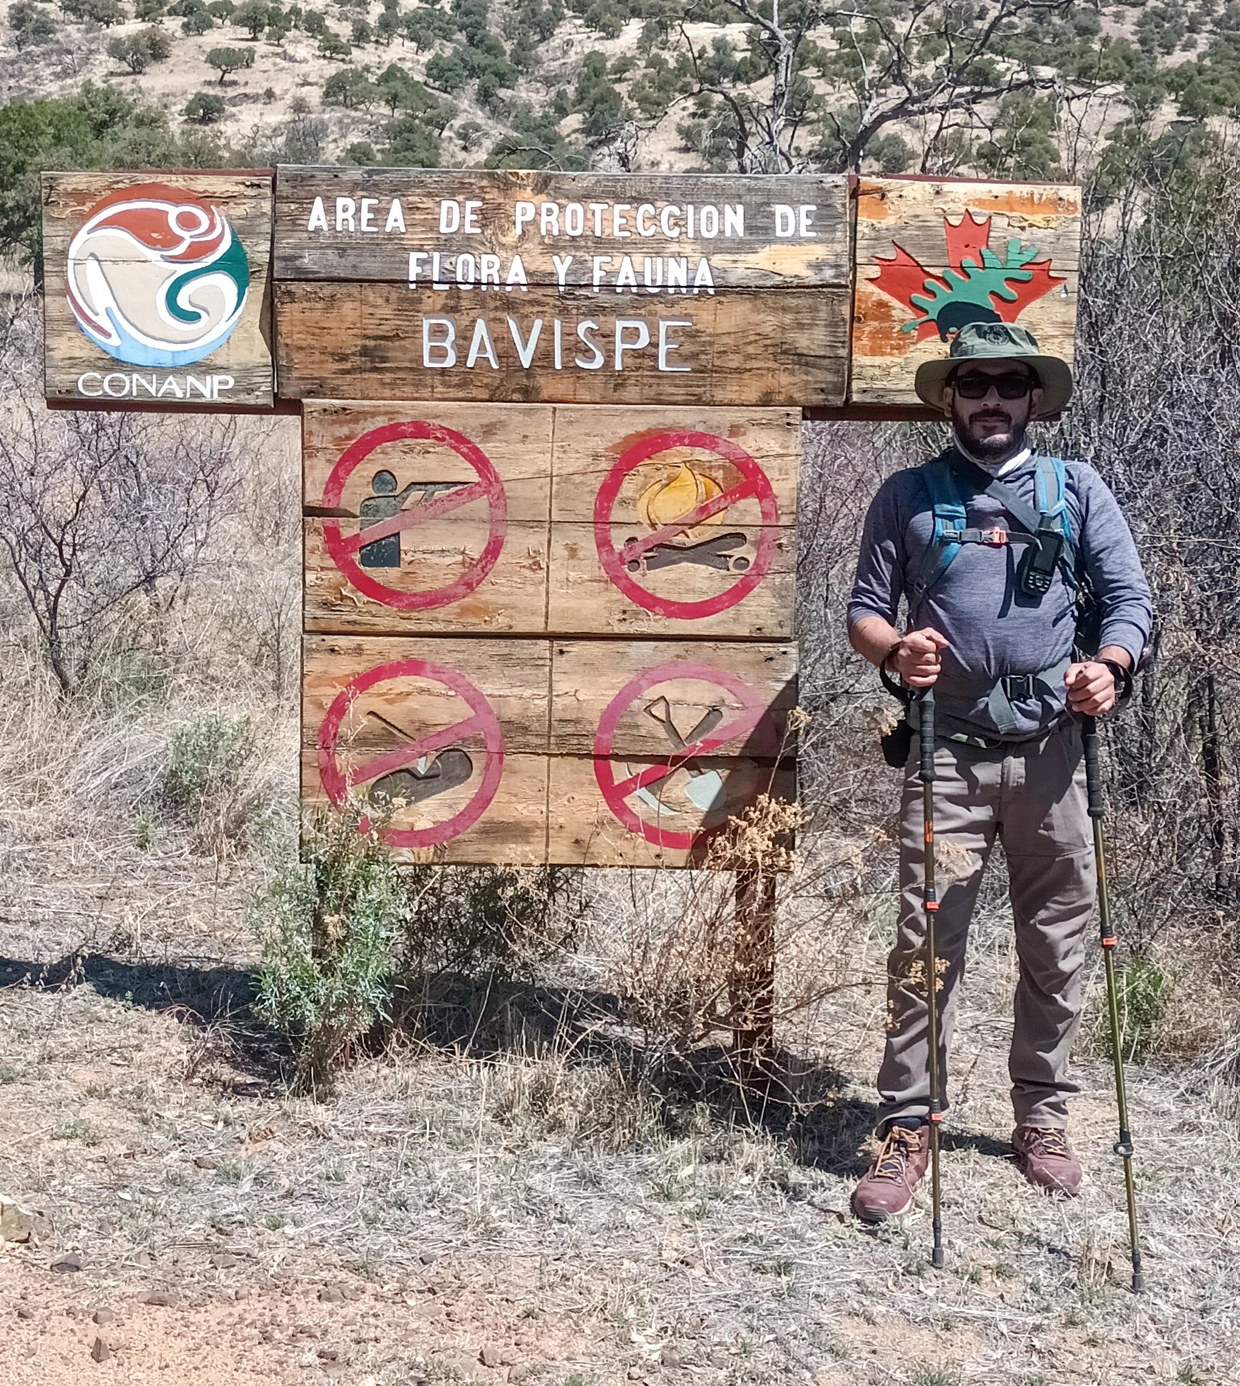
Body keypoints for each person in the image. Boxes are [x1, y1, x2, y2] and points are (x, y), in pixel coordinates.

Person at [845, 321, 1153, 1222]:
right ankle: (908, 1123)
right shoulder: (908, 493)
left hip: (1055, 751)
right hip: (946, 749)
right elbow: (864, 610)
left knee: (1058, 943)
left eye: (1007, 385)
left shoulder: (1077, 488)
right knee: (924, 942)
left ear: (1033, 399)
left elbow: (1131, 601)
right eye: (973, 385)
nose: (990, 400)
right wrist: (897, 651)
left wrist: (1113, 665)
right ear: (949, 399)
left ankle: (1042, 1116)